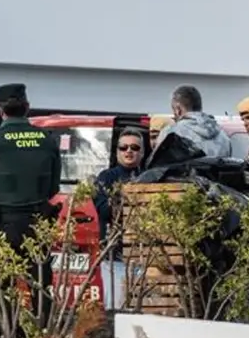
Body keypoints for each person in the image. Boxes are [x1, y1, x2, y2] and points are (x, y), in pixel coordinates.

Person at [0, 84, 61, 327]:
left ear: (0, 109)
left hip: (4, 223)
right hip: (39, 223)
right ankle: (43, 334)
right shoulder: (48, 141)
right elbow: (53, 188)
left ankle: (8, 333)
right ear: (27, 108)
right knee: (40, 281)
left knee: (6, 283)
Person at [91, 127, 145, 310]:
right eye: (124, 147)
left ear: (142, 152)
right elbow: (103, 210)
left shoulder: (149, 176)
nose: (129, 151)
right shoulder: (106, 177)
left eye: (134, 147)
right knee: (115, 310)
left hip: (144, 256)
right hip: (116, 256)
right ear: (117, 151)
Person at [158, 85, 232, 158]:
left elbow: (156, 167)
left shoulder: (170, 133)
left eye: (173, 110)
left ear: (178, 109)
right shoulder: (223, 136)